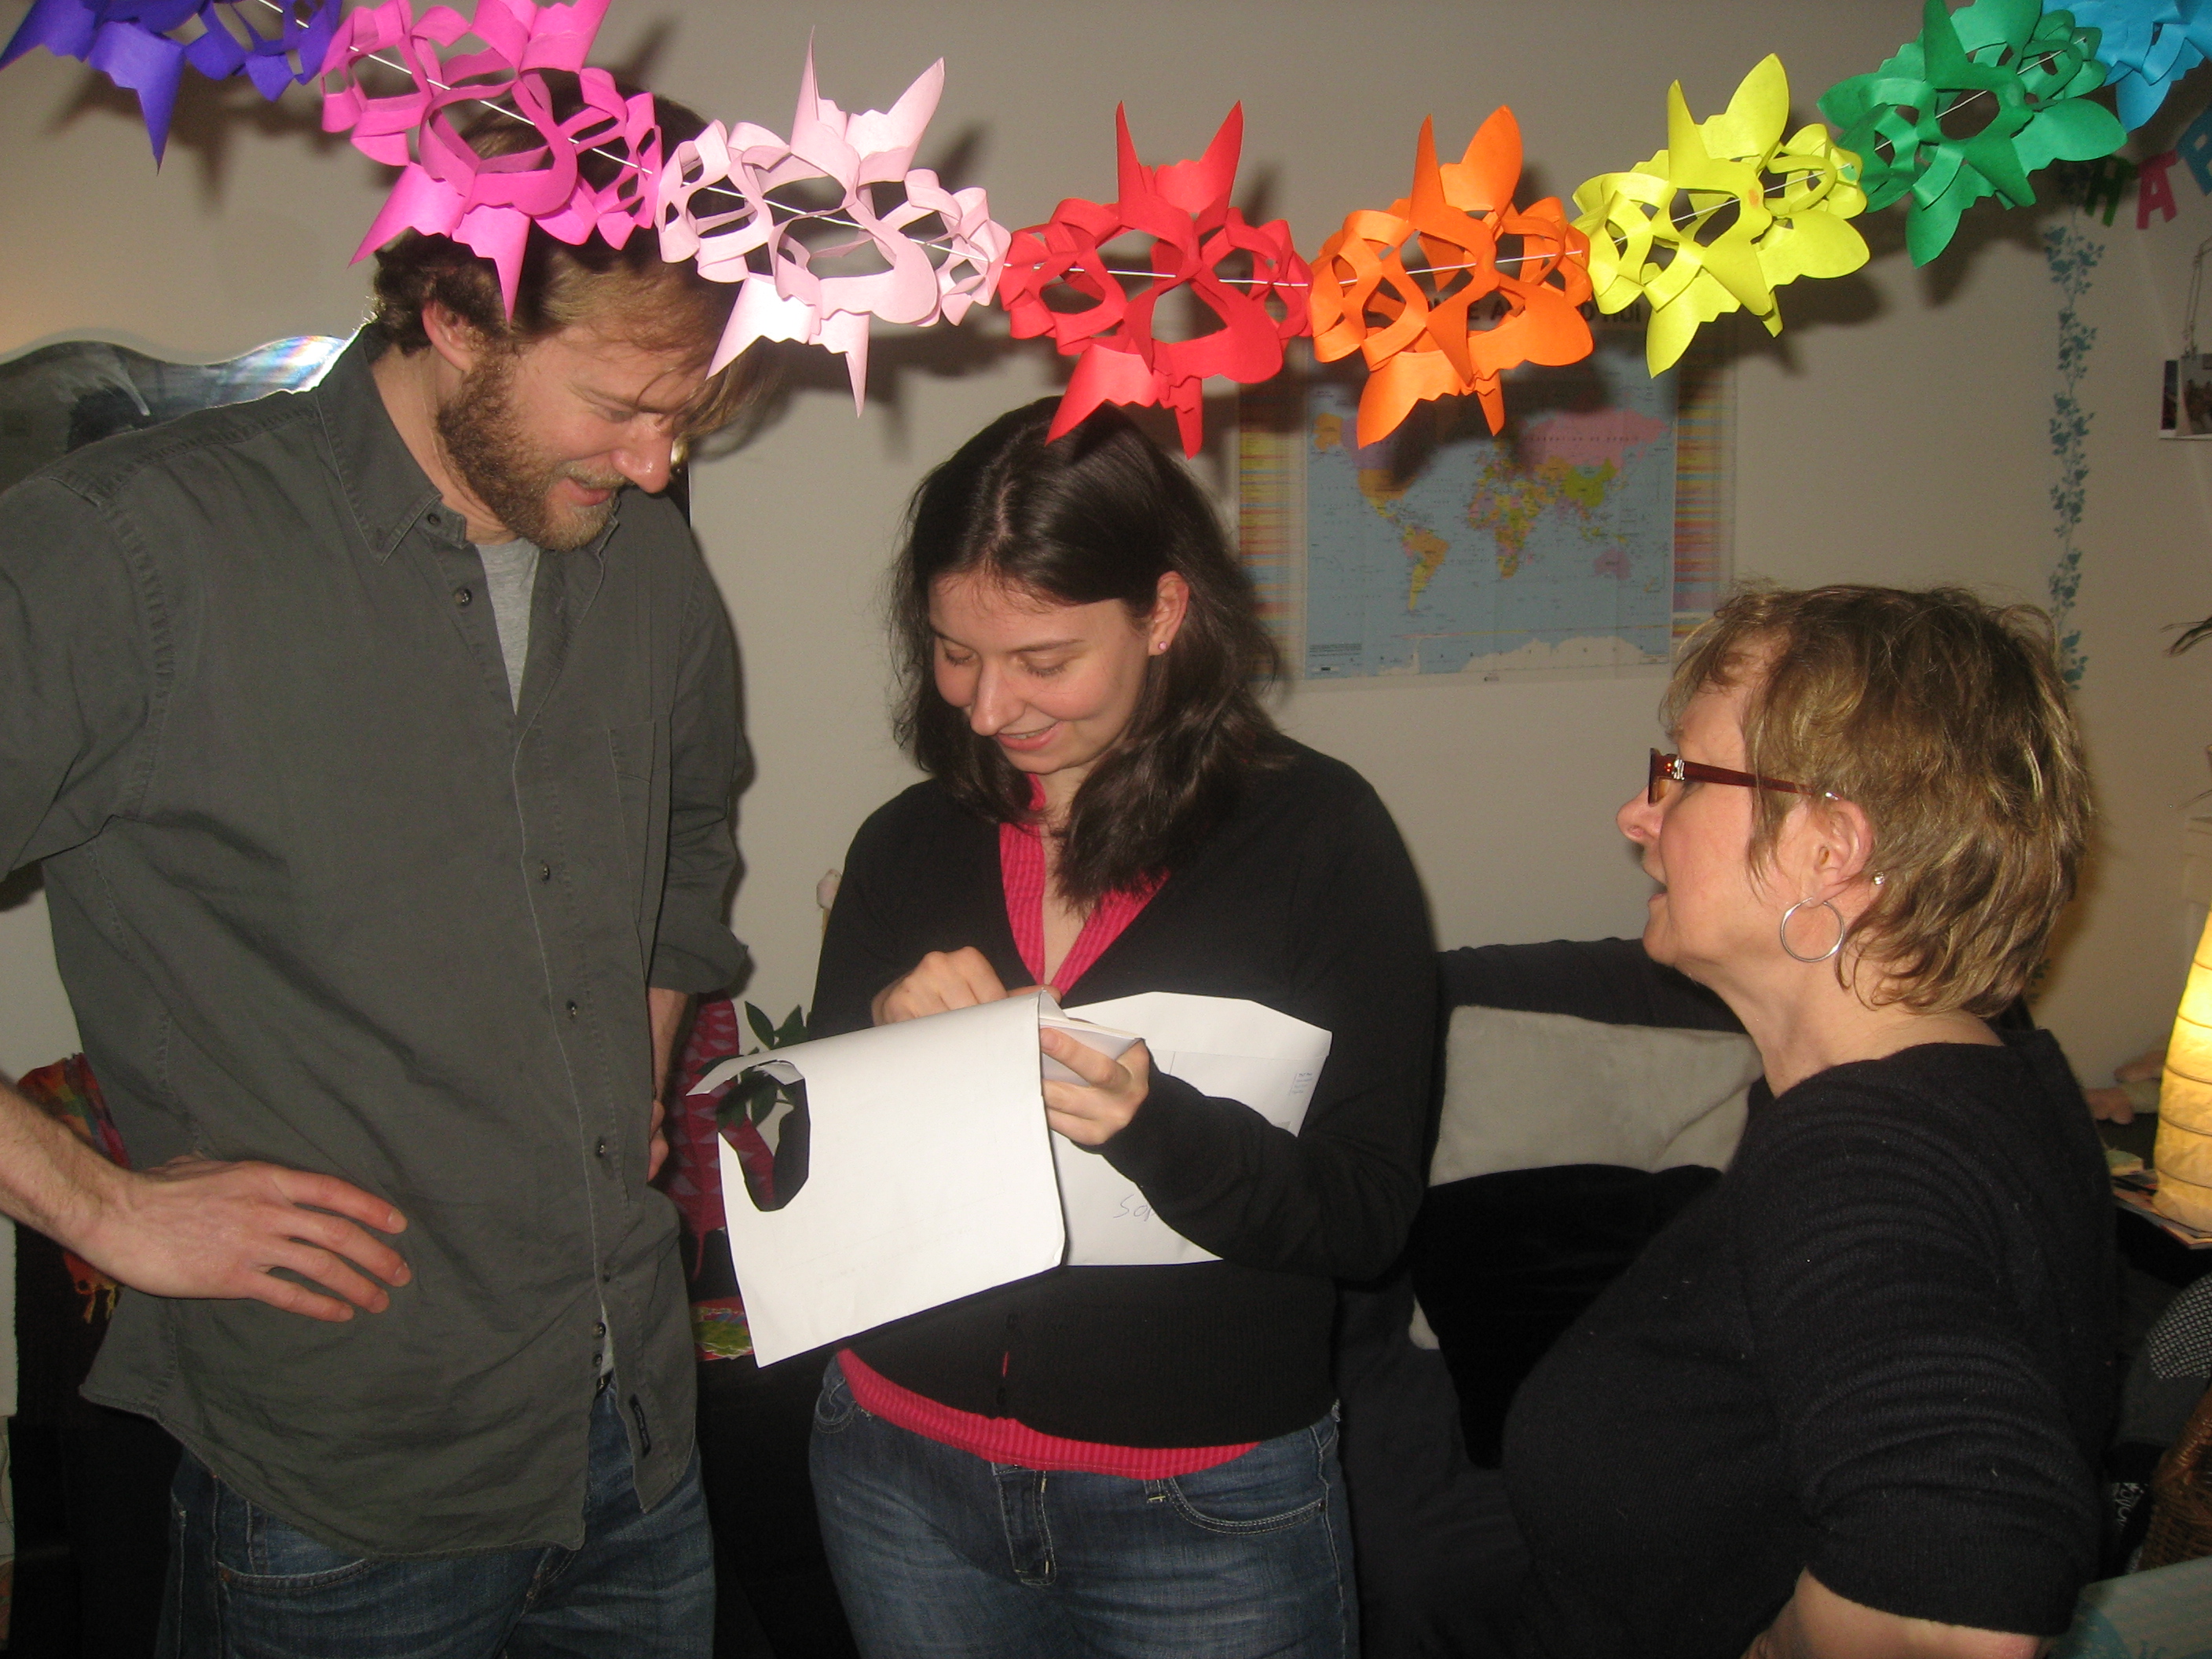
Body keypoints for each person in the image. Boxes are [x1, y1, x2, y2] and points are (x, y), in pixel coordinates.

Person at [0, 78, 751, 1657]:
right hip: (338, 1492)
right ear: (455, 316)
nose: (658, 462)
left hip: (634, 1436)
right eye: (621, 402)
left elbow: (687, 850)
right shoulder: (130, 552)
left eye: (688, 410)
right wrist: (105, 1211)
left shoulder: (652, 567)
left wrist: (633, 1066)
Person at [804, 397, 1435, 1658]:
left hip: (1198, 1501)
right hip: (897, 1461)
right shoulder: (908, 844)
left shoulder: (1320, 841)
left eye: (1044, 661)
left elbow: (1366, 1220)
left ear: (1163, 612)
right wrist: (877, 1037)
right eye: (954, 653)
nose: (989, 709)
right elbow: (808, 1174)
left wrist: (1159, 1131)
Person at [1501, 586, 2114, 1659]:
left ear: (1830, 849)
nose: (1640, 814)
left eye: (1684, 775)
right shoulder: (1990, 1080)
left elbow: (1956, 1601)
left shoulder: (1855, 1154)